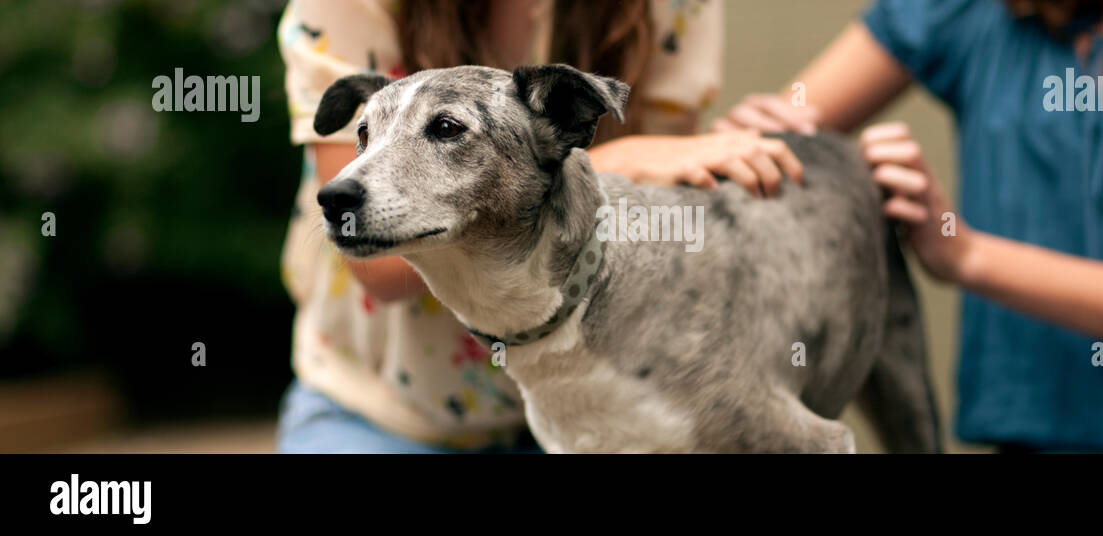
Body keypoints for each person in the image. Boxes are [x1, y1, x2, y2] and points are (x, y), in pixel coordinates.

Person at [716, 0, 1103, 452]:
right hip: (1034, 445)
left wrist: (966, 254)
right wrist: (747, 143)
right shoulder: (973, 12)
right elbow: (756, 149)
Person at [275, 0, 803, 453]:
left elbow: (660, 211)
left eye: (445, 129)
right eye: (365, 135)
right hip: (380, 409)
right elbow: (378, 269)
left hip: (598, 398)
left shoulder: (668, 5)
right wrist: (633, 158)